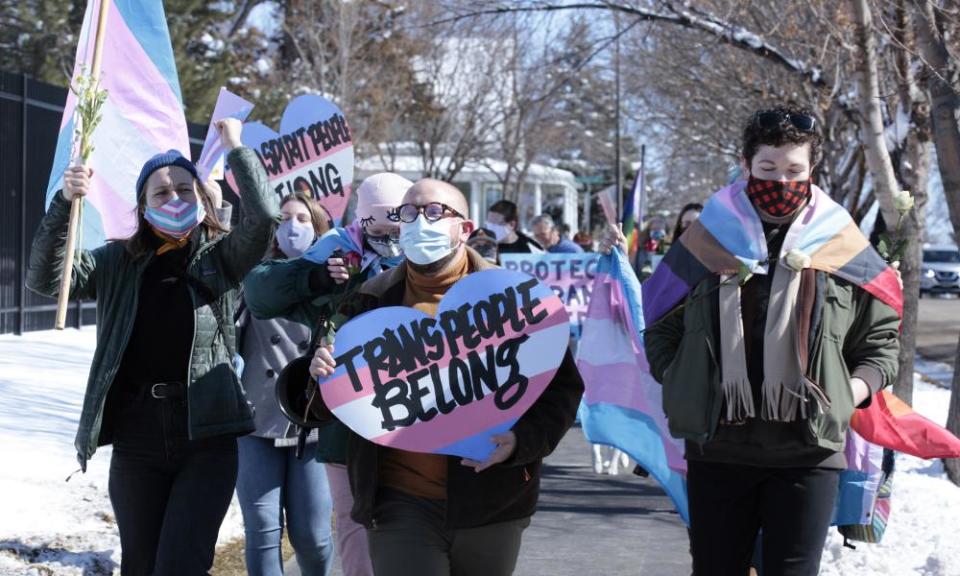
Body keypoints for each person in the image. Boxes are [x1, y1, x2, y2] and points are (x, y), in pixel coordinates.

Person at [641, 105, 901, 576]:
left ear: (812, 169)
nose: (781, 181)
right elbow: (658, 319)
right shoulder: (707, 238)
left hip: (809, 451)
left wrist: (849, 392)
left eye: (794, 170)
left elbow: (882, 343)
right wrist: (680, 377)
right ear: (745, 165)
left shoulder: (840, 242)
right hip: (718, 448)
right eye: (768, 168)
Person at [26, 119, 278, 575]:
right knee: (139, 566)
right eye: (161, 193)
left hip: (206, 436)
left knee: (180, 565)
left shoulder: (221, 257)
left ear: (202, 198)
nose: (175, 199)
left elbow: (263, 218)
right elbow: (46, 279)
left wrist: (236, 147)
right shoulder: (118, 261)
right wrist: (66, 202)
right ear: (142, 206)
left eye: (185, 189)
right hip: (137, 438)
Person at [308, 179, 584, 576]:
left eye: (436, 212)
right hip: (398, 501)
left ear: (465, 229)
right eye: (409, 213)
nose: (421, 222)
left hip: (493, 501)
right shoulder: (366, 301)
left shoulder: (516, 301)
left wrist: (521, 443)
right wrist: (320, 376)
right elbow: (330, 403)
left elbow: (562, 392)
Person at [243, 172, 413, 576]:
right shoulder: (338, 255)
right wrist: (315, 276)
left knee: (405, 528)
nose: (392, 238)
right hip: (338, 422)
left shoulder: (427, 256)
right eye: (382, 227)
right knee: (346, 529)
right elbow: (260, 294)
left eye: (399, 226)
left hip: (412, 419)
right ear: (364, 220)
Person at [235, 191, 335, 576]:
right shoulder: (256, 277)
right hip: (255, 419)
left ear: (319, 226)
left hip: (313, 423)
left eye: (304, 219)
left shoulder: (336, 278)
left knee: (312, 536)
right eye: (285, 218)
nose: (294, 226)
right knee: (261, 529)